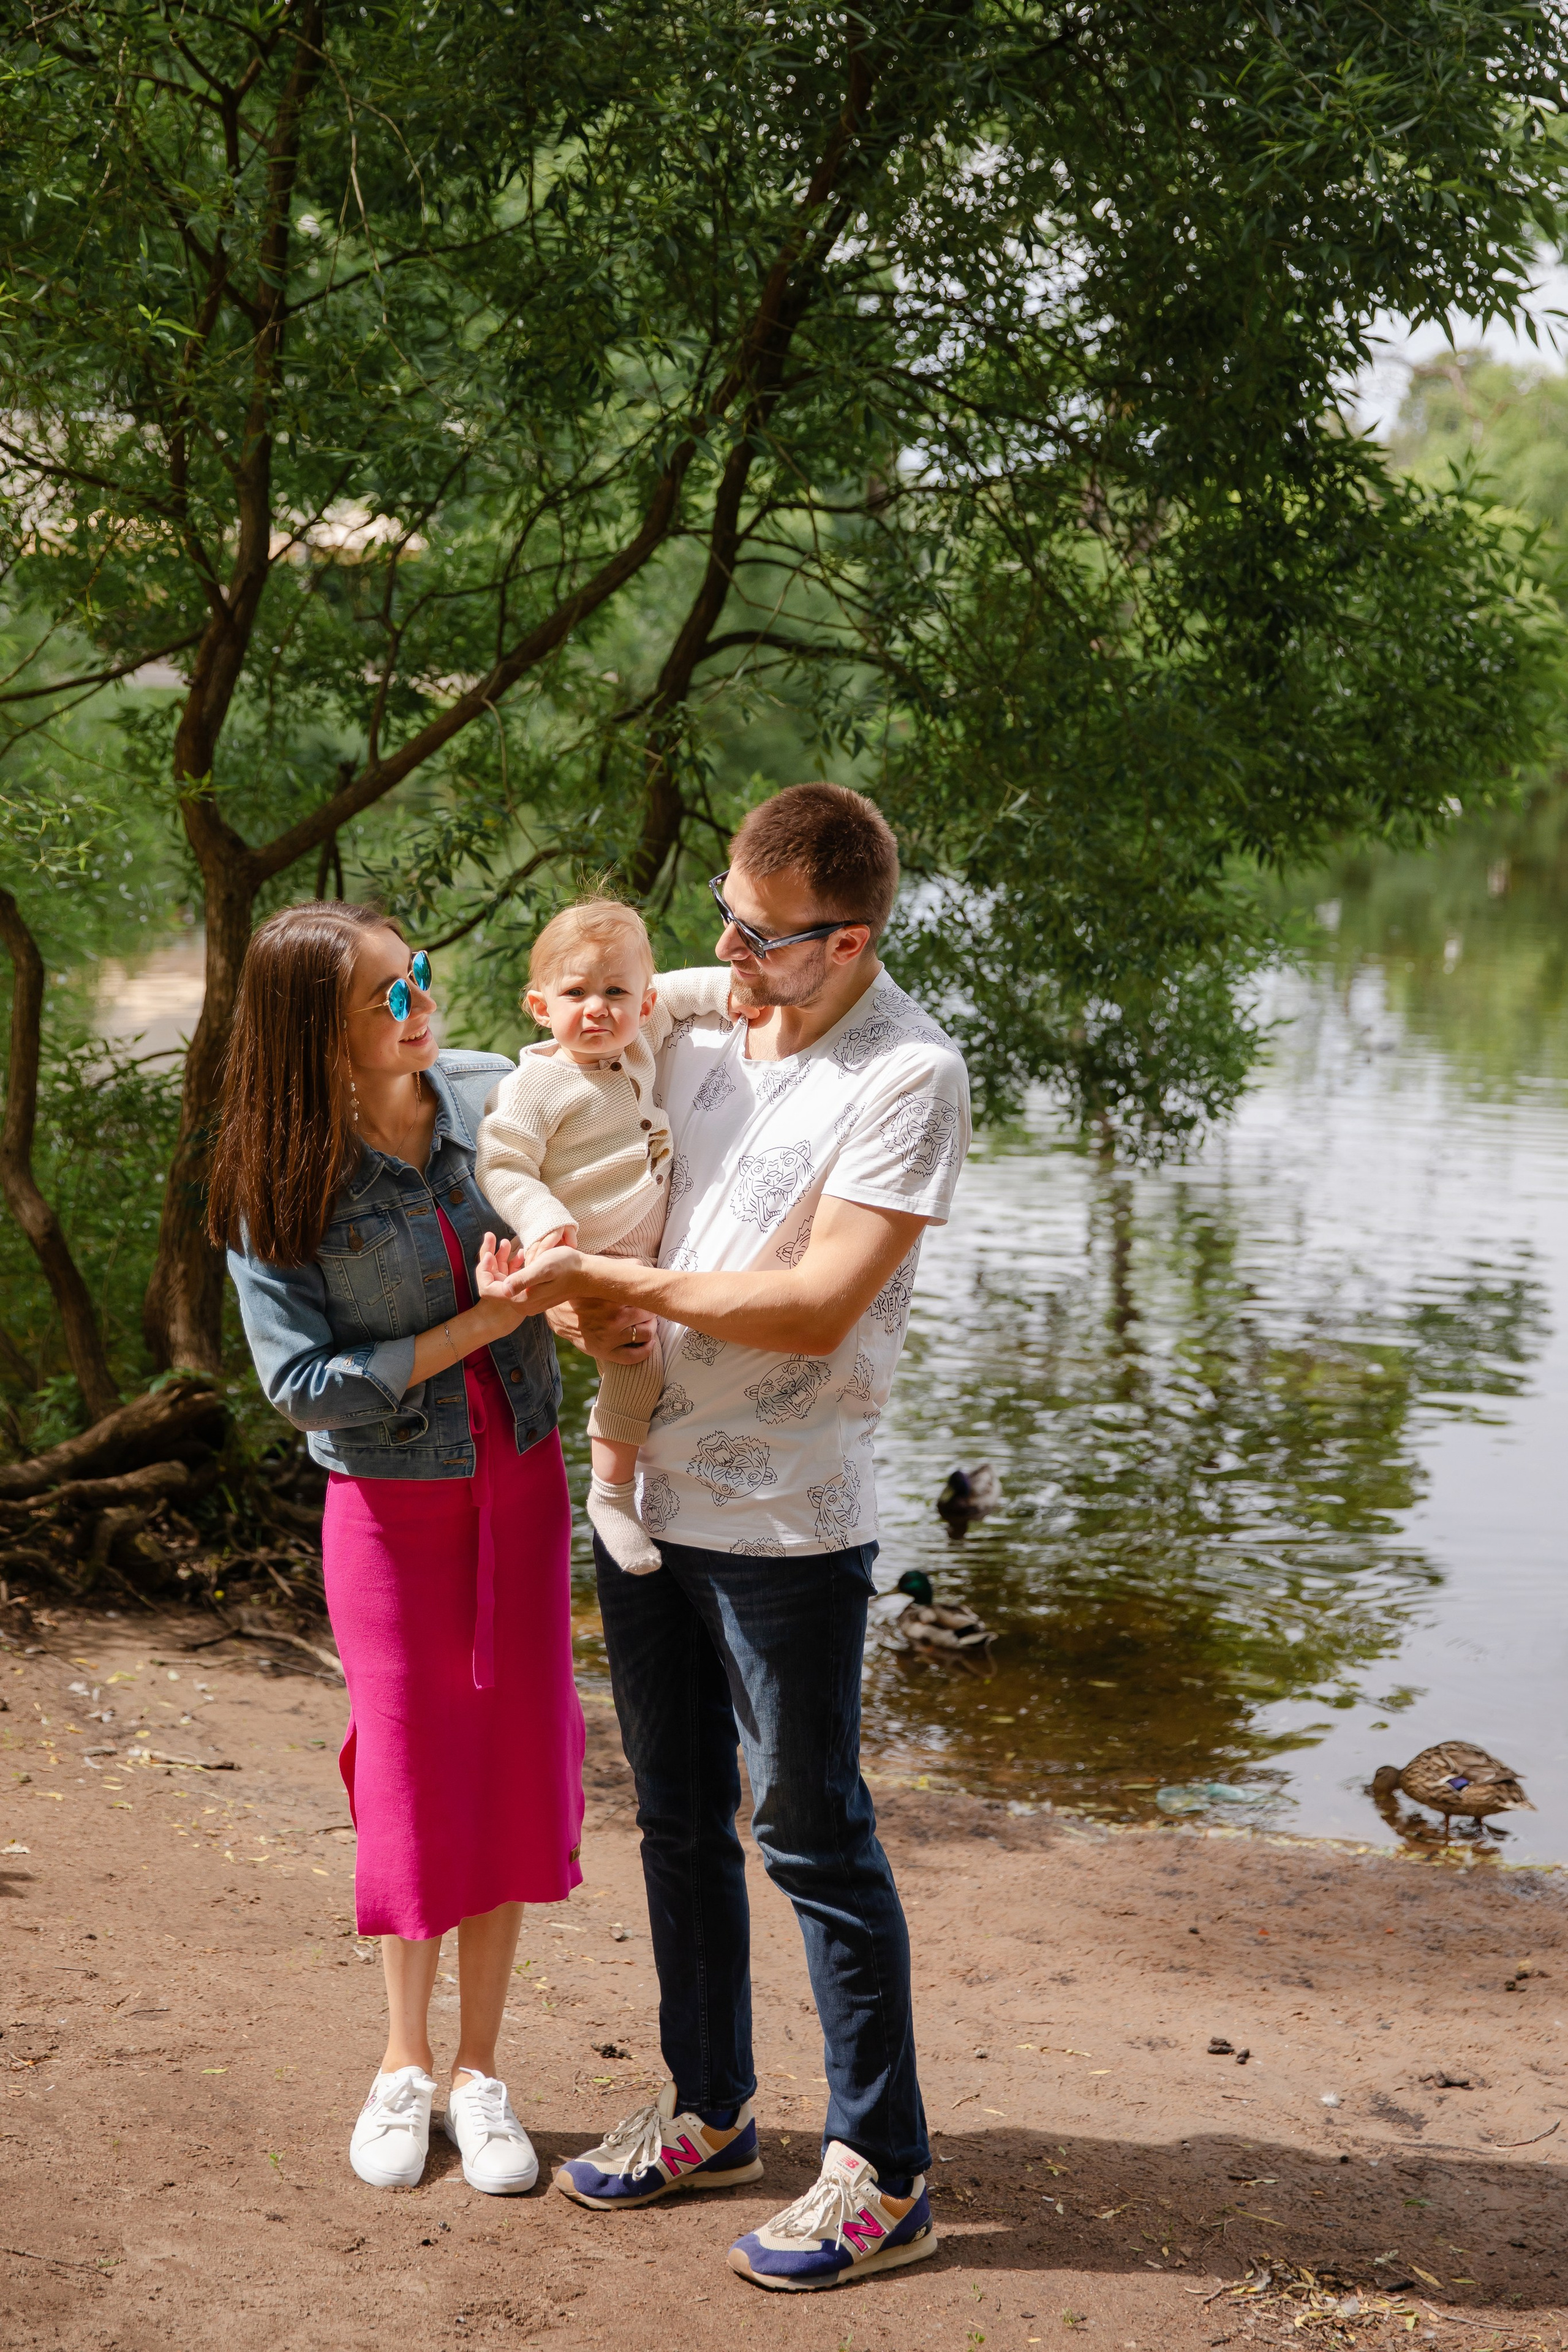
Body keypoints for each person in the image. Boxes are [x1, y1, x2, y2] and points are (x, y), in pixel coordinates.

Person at [484, 784, 971, 2291]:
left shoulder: (909, 1072)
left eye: (758, 934)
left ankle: (882, 2169)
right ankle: (710, 2103)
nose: (723, 947)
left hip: (787, 1524)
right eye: (721, 913)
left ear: (850, 940)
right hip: (649, 1503)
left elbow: (820, 1297)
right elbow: (564, 1024)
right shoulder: (699, 1013)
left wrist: (617, 1270)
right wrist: (562, 1275)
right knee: (678, 1820)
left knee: (811, 1831)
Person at [211, 902, 582, 2198]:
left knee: (511, 1766)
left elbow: (634, 1019)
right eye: (381, 993)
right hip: (388, 1505)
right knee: (412, 1779)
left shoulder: (496, 1099)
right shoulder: (273, 1178)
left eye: (416, 974)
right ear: (314, 1029)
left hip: (522, 1481)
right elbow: (301, 1384)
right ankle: (402, 2067)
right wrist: (479, 1328)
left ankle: (481, 2074)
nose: (416, 1002)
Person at [474, 898, 731, 1574]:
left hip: (647, 1246)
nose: (597, 1008)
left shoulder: (640, 1036)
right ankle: (611, 1496)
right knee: (635, 1362)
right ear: (539, 1007)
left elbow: (676, 989)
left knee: (656, 1352)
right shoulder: (537, 1085)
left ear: (641, 1006)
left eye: (616, 993)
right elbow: (501, 1163)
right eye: (576, 993)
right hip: (586, 1251)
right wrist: (539, 1222)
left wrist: (736, 992)